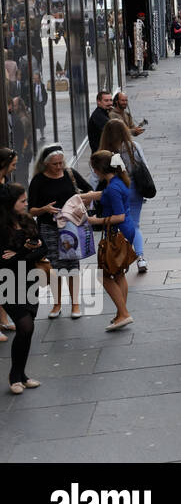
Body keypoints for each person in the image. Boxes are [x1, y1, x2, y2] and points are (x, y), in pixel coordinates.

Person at [26, 145, 93, 318]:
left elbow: (88, 191)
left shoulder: (70, 173)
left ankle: (75, 305)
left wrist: (82, 204)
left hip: (70, 227)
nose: (59, 166)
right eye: (55, 164)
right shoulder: (38, 180)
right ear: (46, 164)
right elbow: (31, 209)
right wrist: (44, 209)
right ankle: (56, 304)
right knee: (54, 267)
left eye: (61, 162)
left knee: (72, 265)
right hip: (49, 228)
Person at [0, 183, 44, 392]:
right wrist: (25, 250)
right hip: (6, 282)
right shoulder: (1, 227)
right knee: (25, 326)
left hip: (28, 279)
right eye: (23, 201)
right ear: (10, 204)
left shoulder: (27, 220)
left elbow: (42, 247)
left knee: (27, 330)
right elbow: (3, 261)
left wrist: (20, 253)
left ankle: (22, 374)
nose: (27, 204)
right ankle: (14, 377)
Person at [88, 150, 136, 331]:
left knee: (105, 275)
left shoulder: (113, 187)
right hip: (125, 231)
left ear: (99, 169)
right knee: (119, 274)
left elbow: (119, 216)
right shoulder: (117, 181)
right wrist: (93, 195)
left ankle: (124, 314)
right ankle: (120, 313)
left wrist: (95, 221)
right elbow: (110, 195)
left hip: (117, 233)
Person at [99, 120, 151, 272]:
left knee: (115, 225)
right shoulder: (133, 147)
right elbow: (145, 167)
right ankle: (140, 258)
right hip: (134, 188)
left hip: (114, 189)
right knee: (134, 224)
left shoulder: (105, 151)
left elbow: (97, 175)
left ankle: (117, 258)